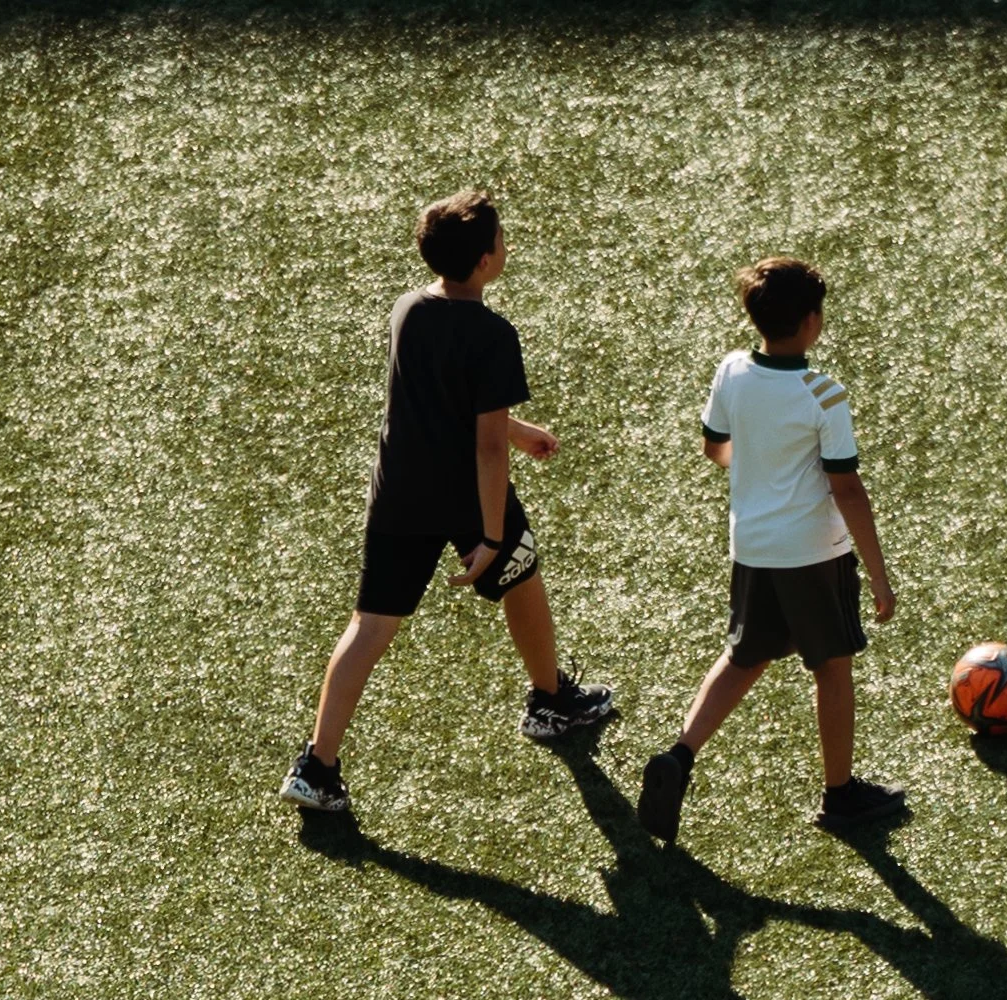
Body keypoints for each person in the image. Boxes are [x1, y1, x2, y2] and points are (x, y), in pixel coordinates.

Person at [281, 187, 615, 821]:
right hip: (466, 497)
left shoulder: (407, 308)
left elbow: (444, 401)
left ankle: (317, 766)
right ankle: (550, 702)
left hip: (400, 489)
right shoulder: (491, 333)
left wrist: (522, 429)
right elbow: (487, 448)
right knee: (524, 579)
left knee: (371, 624)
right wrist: (490, 535)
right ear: (487, 261)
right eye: (502, 241)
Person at [637, 256, 904, 848]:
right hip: (813, 554)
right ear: (812, 322)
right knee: (831, 666)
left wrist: (756, 468)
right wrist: (881, 578)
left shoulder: (731, 370)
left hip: (753, 549)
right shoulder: (824, 395)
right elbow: (848, 489)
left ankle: (679, 756)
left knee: (743, 658)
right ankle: (839, 795)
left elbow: (715, 447)